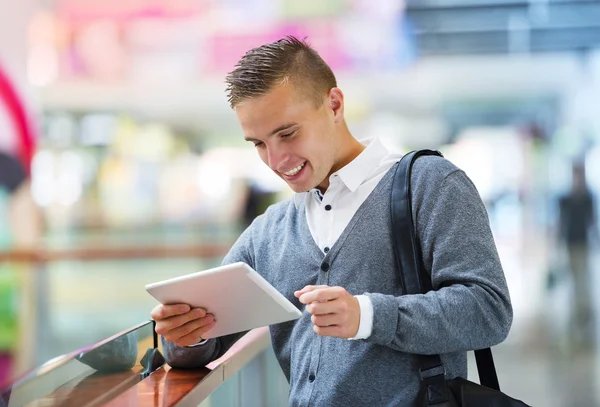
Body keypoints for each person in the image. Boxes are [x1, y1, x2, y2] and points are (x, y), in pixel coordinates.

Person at [151, 36, 513, 406]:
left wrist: (367, 315)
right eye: (258, 144)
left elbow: (489, 310)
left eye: (287, 133)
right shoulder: (269, 232)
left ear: (335, 105)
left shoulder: (430, 184)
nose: (276, 160)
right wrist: (185, 333)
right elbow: (200, 345)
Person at [558, 162, 597, 343]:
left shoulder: (587, 198)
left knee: (584, 280)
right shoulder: (566, 199)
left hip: (583, 244)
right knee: (574, 280)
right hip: (571, 244)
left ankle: (584, 312)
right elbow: (562, 223)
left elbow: (592, 221)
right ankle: (576, 312)